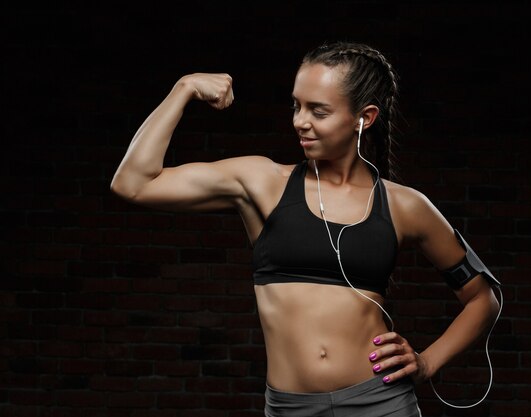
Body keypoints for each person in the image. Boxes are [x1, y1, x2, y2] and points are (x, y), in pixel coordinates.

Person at [110, 40, 501, 417]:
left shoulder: (404, 205)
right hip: (290, 408)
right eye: (296, 106)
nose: (300, 121)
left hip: (380, 404)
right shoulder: (263, 182)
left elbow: (483, 298)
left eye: (319, 111)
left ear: (364, 118)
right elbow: (134, 183)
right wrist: (185, 87)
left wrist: (427, 363)